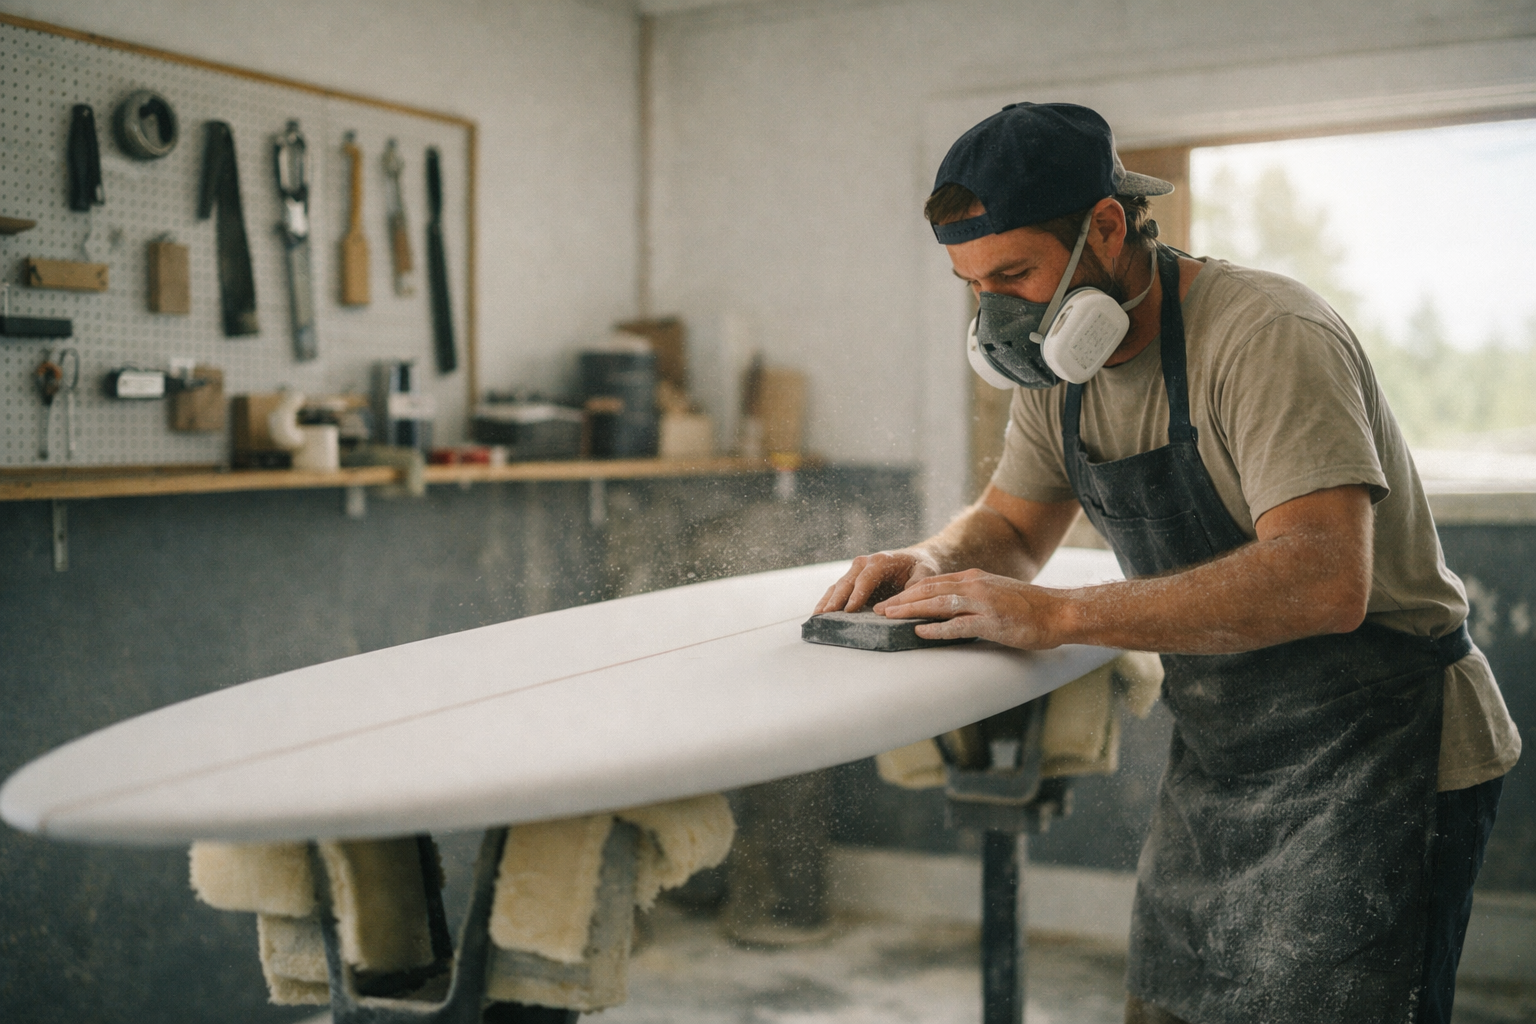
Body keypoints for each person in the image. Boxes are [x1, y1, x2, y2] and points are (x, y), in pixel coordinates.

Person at [816, 102, 1520, 1024]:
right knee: (1169, 1006)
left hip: (1382, 744)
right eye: (973, 285)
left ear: (1107, 228)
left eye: (1015, 274)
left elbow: (1321, 577)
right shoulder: (1058, 373)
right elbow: (1012, 527)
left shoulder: (1267, 334)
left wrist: (1061, 615)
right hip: (1223, 754)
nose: (998, 312)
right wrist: (929, 559)